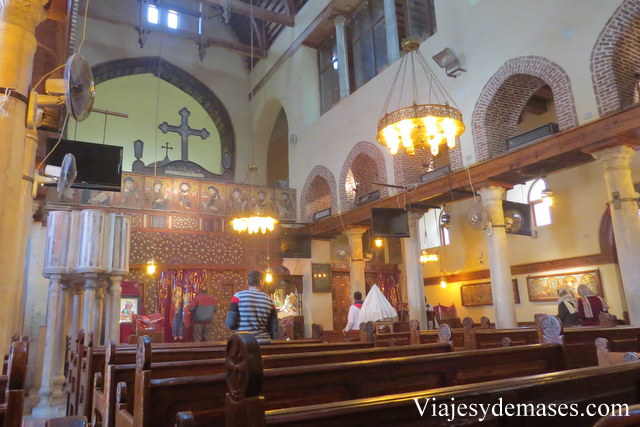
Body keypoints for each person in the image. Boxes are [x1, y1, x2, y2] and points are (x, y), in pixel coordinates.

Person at [226, 270, 278, 344]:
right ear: (261, 282)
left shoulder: (237, 297)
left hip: (243, 343)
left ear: (247, 282)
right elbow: (274, 327)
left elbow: (230, 324)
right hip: (264, 343)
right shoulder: (270, 301)